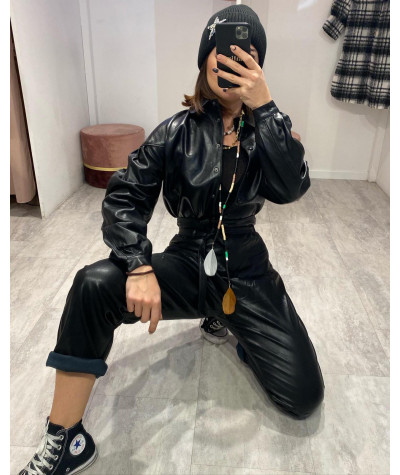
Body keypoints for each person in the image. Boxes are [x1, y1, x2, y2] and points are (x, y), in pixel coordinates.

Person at [18, 5, 324, 475]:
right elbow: (124, 198)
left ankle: (237, 326)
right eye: (222, 53)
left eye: (245, 56)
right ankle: (66, 439)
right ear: (205, 60)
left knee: (304, 396)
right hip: (186, 262)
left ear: (258, 67)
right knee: (93, 284)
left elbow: (292, 188)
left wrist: (266, 107)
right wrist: (138, 265)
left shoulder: (269, 131)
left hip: (247, 271)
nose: (231, 63)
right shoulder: (175, 132)